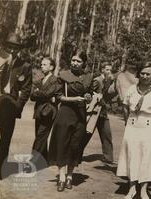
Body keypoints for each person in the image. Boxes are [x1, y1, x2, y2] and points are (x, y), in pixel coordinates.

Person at [117, 61, 151, 199]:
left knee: (147, 157)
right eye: (142, 73)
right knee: (132, 155)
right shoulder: (132, 89)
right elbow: (125, 106)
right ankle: (132, 188)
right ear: (138, 74)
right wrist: (129, 121)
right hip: (133, 124)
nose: (145, 76)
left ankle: (144, 189)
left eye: (148, 74)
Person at [48, 50, 93, 192]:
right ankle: (61, 178)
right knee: (62, 143)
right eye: (73, 60)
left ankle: (69, 176)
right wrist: (74, 99)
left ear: (84, 63)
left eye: (78, 61)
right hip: (65, 113)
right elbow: (58, 97)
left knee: (75, 145)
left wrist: (88, 97)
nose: (75, 63)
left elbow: (90, 94)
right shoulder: (63, 75)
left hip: (80, 115)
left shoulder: (88, 77)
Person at [0, 32, 32, 180]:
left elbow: (26, 89)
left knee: (5, 139)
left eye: (15, 48)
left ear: (20, 49)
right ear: (6, 46)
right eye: (10, 47)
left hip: (10, 105)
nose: (12, 51)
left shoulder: (24, 66)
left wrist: (18, 106)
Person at [30, 57, 59, 164]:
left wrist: (39, 92)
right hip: (39, 111)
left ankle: (32, 163)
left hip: (48, 112)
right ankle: (46, 159)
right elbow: (32, 96)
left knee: (40, 136)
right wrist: (41, 94)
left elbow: (48, 93)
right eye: (41, 64)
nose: (41, 66)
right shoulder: (40, 80)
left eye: (44, 65)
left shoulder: (55, 80)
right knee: (40, 135)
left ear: (51, 67)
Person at [92, 62, 115, 163]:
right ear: (102, 70)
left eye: (110, 70)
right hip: (94, 112)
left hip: (103, 112)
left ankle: (108, 157)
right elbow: (91, 93)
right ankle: (75, 154)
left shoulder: (109, 81)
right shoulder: (97, 80)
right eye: (107, 70)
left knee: (107, 134)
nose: (109, 72)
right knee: (86, 134)